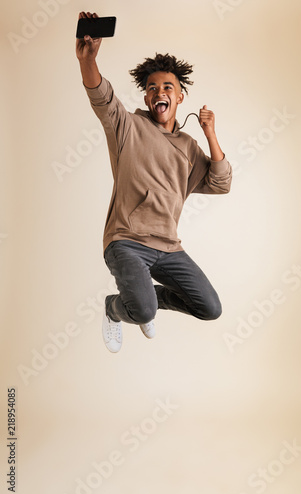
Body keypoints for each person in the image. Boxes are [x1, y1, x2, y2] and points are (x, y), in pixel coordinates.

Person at [76, 11, 232, 353]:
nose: (159, 92)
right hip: (127, 241)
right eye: (152, 88)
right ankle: (115, 307)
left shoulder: (190, 147)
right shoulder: (127, 126)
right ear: (147, 98)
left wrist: (210, 134)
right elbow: (100, 95)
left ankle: (145, 298)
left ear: (179, 97)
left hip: (169, 248)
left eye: (167, 87)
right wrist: (88, 59)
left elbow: (220, 183)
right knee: (141, 310)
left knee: (210, 307)